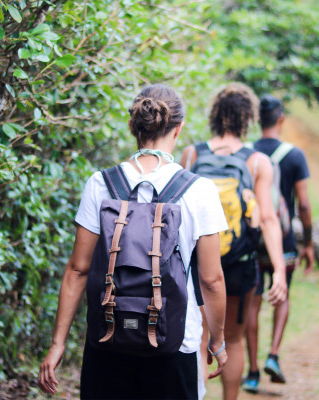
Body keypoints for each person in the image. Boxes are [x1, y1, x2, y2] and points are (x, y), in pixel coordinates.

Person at [38, 84, 229, 400]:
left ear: (133, 126)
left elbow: (77, 271)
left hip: (107, 340)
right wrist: (217, 341)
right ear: (178, 130)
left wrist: (58, 344)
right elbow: (211, 280)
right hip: (174, 344)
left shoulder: (101, 184)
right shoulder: (199, 190)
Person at [181, 83, 288, 400]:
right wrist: (279, 269)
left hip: (198, 263)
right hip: (240, 264)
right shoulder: (257, 162)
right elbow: (268, 218)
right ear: (248, 118)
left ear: (215, 115)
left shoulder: (191, 154)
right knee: (235, 340)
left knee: (200, 339)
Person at [242, 94, 314, 392]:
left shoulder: (246, 153)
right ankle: (273, 355)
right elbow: (305, 206)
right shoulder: (295, 155)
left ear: (258, 120)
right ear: (280, 119)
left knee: (253, 302)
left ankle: (254, 371)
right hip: (282, 239)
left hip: (254, 239)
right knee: (282, 295)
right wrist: (308, 243)